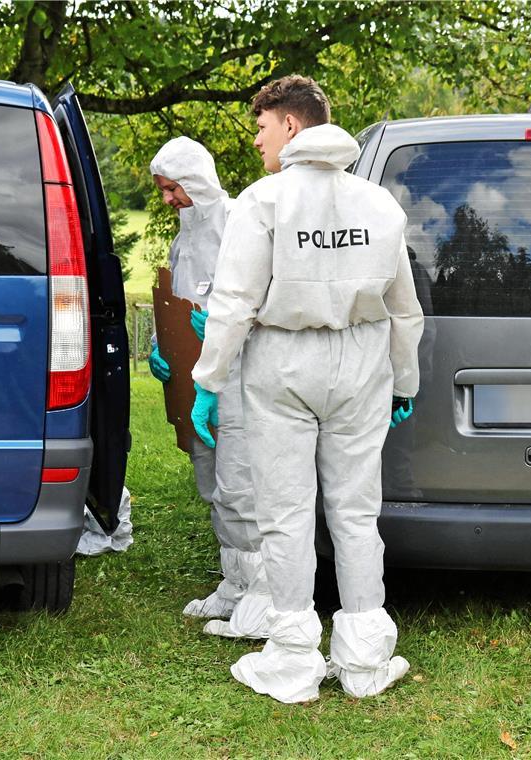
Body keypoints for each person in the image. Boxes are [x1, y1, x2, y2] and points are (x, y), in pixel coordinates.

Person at [190, 76, 424, 703]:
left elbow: (235, 302)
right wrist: (405, 379)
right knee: (355, 511)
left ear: (291, 126)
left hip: (283, 364)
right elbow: (405, 309)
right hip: (362, 363)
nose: (259, 141)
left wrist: (208, 382)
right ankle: (366, 660)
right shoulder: (379, 205)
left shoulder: (262, 202)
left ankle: (293, 657)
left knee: (286, 514)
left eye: (262, 127)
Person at [148, 138, 271, 638]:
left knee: (243, 485)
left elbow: (266, 297)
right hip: (197, 379)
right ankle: (234, 585)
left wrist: (228, 328)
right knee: (213, 484)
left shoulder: (240, 221)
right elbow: (177, 293)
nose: (167, 199)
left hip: (241, 379)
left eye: (172, 188)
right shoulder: (184, 237)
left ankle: (264, 599)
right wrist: (164, 344)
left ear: (195, 181)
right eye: (161, 190)